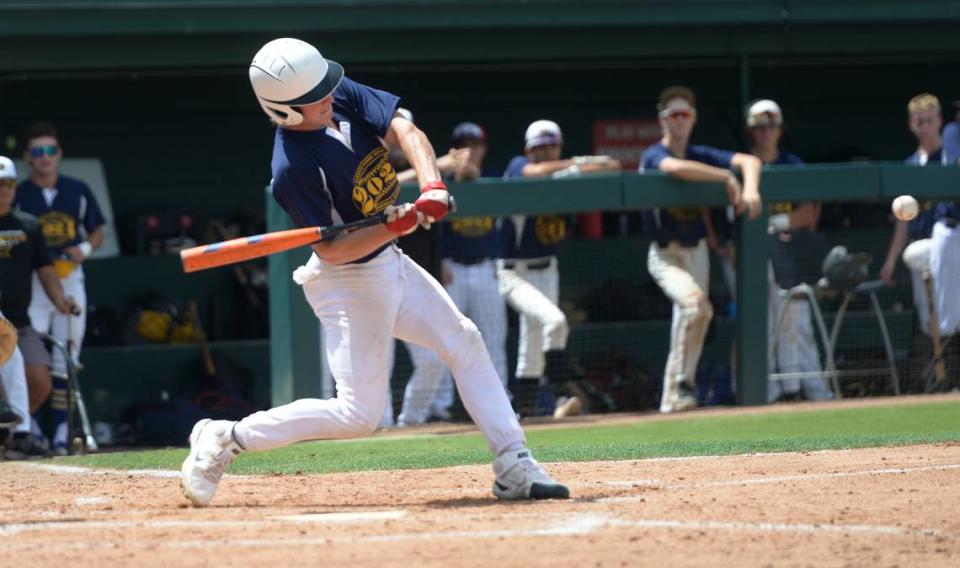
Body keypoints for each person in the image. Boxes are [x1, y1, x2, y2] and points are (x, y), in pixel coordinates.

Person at [180, 38, 568, 506]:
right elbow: (336, 249)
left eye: (326, 87)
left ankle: (514, 463)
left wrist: (432, 185)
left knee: (464, 340)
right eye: (314, 98)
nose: (328, 96)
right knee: (359, 414)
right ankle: (227, 436)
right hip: (347, 282)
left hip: (389, 263)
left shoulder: (336, 92)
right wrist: (398, 223)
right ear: (283, 111)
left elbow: (407, 130)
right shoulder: (293, 167)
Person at [640, 85, 762, 413]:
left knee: (697, 314)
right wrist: (724, 176)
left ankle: (673, 398)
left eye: (686, 115)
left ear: (693, 119)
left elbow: (750, 160)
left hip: (697, 252)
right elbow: (674, 169)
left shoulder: (701, 154)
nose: (680, 121)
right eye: (674, 115)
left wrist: (749, 188)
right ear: (663, 119)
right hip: (666, 254)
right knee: (696, 307)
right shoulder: (654, 154)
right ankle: (683, 385)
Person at [499, 119, 621, 417]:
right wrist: (577, 163)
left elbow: (614, 166)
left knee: (534, 342)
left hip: (547, 267)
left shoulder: (565, 175)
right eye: (540, 147)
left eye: (552, 145)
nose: (547, 152)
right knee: (555, 322)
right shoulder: (518, 166)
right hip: (513, 271)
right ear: (529, 150)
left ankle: (522, 409)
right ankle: (561, 394)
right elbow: (534, 172)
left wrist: (578, 167)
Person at [15, 122, 106, 452]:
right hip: (33, 284)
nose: (45, 158)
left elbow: (97, 231)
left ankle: (60, 433)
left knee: (65, 359)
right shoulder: (19, 195)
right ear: (27, 157)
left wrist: (83, 249)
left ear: (59, 154)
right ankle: (33, 430)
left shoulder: (77, 189)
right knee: (28, 359)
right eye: (37, 152)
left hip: (70, 279)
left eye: (50, 151)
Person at [412, 122, 508, 424]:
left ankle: (500, 401)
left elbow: (507, 224)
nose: (469, 150)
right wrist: (439, 261)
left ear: (484, 148)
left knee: (493, 339)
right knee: (446, 340)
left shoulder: (492, 178)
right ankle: (440, 406)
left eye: (475, 144)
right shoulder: (436, 182)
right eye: (462, 145)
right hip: (452, 268)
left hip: (485, 266)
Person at [744, 99, 832, 402]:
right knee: (763, 326)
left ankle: (809, 391)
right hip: (752, 260)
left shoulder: (792, 165)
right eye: (760, 127)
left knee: (798, 321)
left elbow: (810, 214)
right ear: (751, 131)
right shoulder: (742, 165)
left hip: (792, 256)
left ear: (779, 129)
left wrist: (775, 221)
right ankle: (771, 393)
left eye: (771, 126)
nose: (766, 133)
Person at [0, 155, 77, 458]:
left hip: (19, 321)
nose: (4, 189)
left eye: (8, 183)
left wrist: (60, 298)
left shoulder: (28, 225)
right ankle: (19, 432)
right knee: (9, 348)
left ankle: (12, 431)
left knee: (40, 381)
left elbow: (46, 270)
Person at [880, 94, 945, 355]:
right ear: (911, 124)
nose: (924, 127)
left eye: (929, 120)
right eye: (919, 121)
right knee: (927, 312)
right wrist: (890, 260)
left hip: (951, 241)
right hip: (919, 249)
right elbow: (902, 223)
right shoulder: (909, 165)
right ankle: (941, 373)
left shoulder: (952, 156)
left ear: (939, 121)